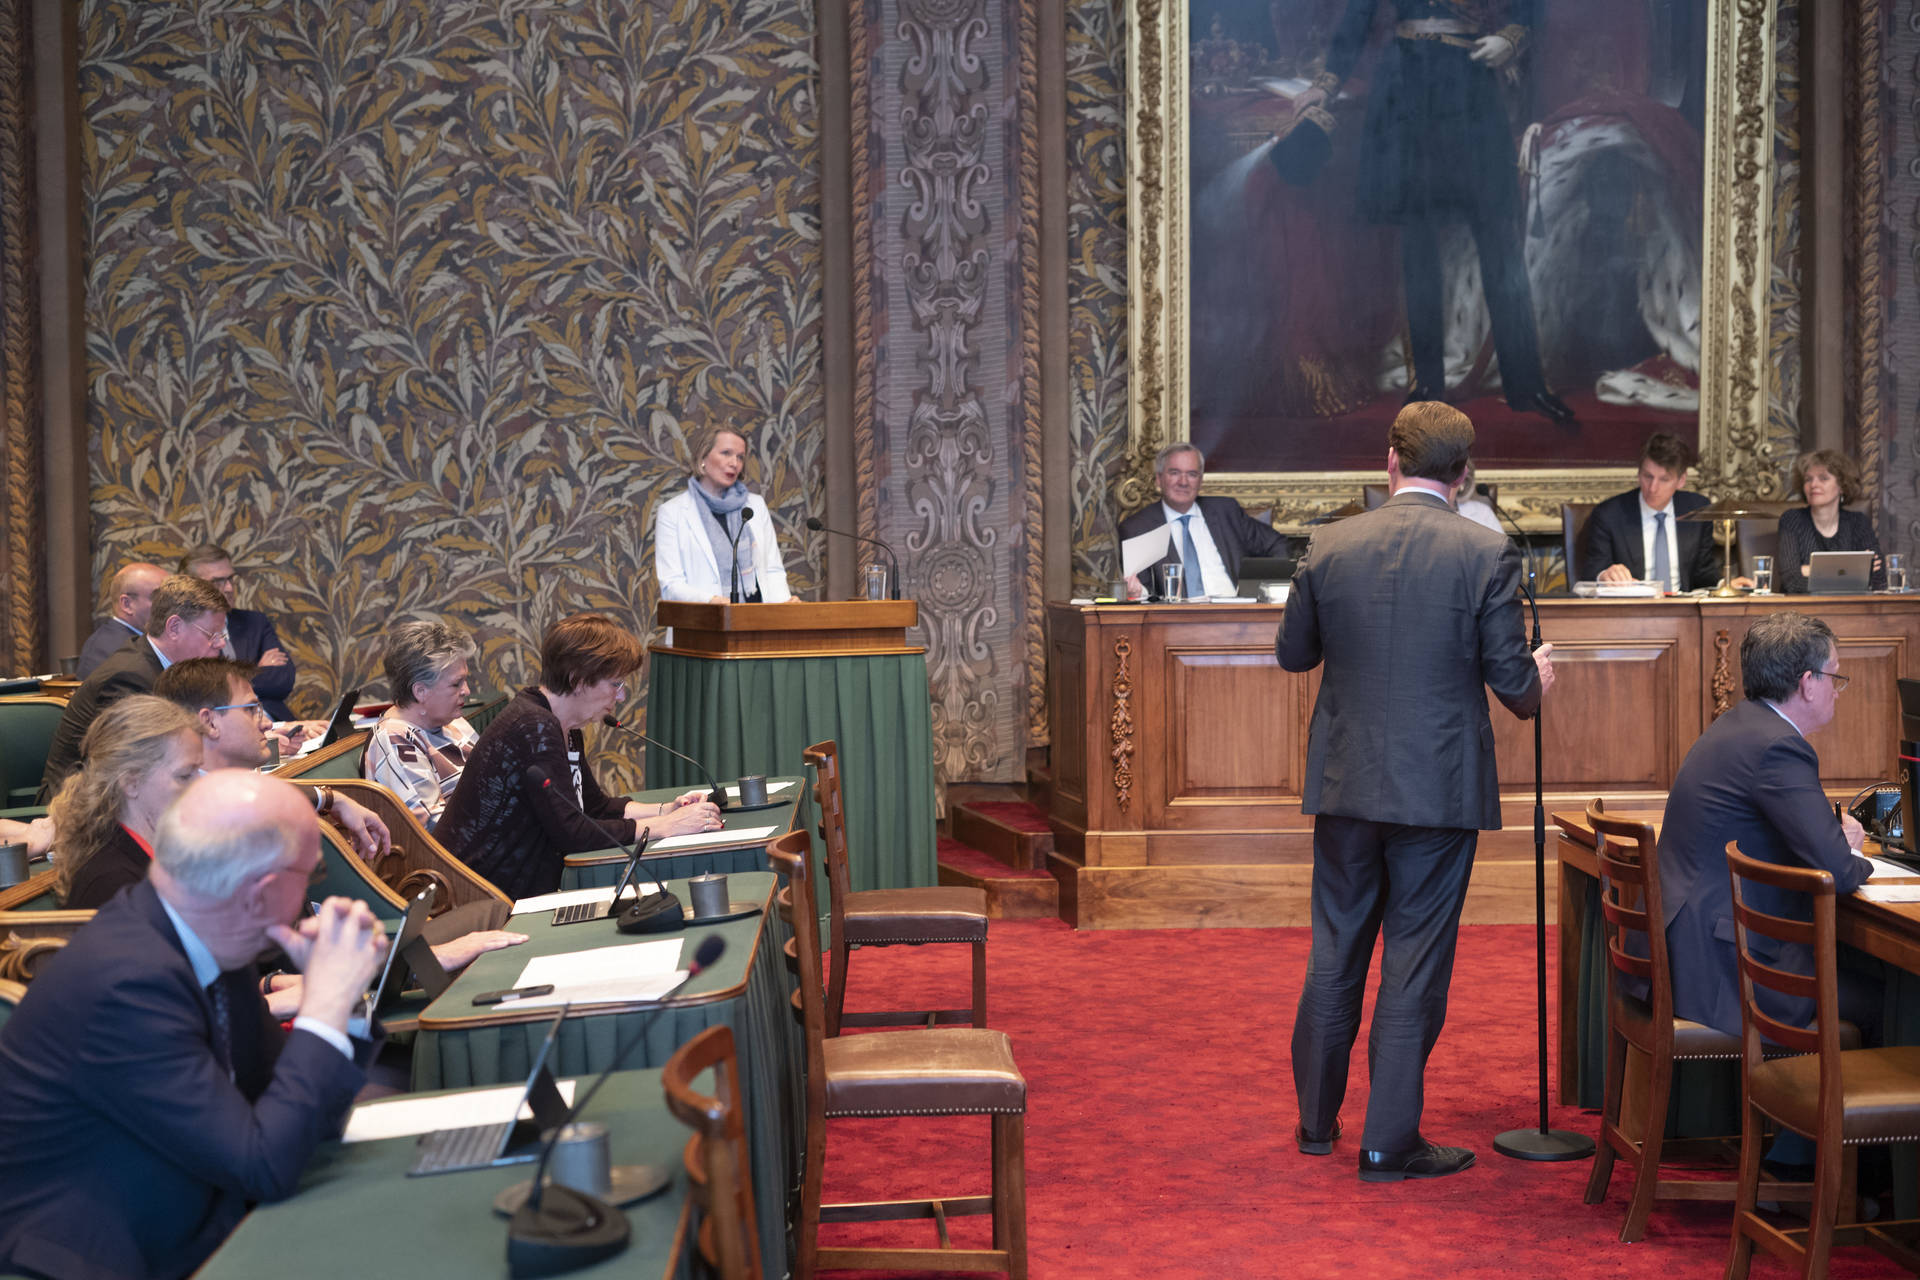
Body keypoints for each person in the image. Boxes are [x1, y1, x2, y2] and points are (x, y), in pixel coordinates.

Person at [1277, 401, 1553, 1181]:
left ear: (1389, 461)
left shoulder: (1330, 543)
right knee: (1413, 960)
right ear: (1464, 476)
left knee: (1336, 950)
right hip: (1437, 789)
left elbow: (1294, 655)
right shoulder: (1485, 551)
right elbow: (1515, 685)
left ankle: (1314, 1122)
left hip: (1347, 782)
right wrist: (1543, 678)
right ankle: (1387, 1141)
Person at [0, 770, 385, 1280]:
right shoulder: (126, 982)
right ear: (261, 891)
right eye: (310, 877)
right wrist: (327, 1000)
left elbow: (297, 1116)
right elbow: (263, 1164)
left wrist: (342, 1008)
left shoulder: (204, 940)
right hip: (114, 1260)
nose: (309, 898)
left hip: (204, 1220)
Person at [1290, 1, 1574, 426]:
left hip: (1470, 83)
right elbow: (1357, 16)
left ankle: (1527, 384)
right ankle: (1428, 387)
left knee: (1498, 240)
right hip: (1406, 89)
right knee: (1418, 246)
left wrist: (1510, 38)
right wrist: (1326, 85)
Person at [1659, 611, 1875, 1041]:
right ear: (1807, 682)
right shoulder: (1779, 747)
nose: (1838, 690)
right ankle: (1828, 1109)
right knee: (1892, 997)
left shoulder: (1738, 724)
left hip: (1688, 950)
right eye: (1835, 676)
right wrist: (1849, 845)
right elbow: (1841, 870)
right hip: (1729, 971)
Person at [436, 614, 722, 898]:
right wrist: (665, 827)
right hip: (479, 896)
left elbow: (594, 807)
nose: (621, 697)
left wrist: (665, 809)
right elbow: (572, 834)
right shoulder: (532, 727)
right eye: (615, 684)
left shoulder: (565, 728)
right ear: (578, 680)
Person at [154, 658, 391, 863]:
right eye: (251, 709)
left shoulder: (230, 788)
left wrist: (332, 798)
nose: (267, 724)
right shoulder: (185, 819)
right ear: (210, 722)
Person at [39, 573, 229, 802]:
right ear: (175, 627)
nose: (221, 644)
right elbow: (145, 763)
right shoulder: (127, 677)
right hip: (79, 810)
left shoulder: (172, 668)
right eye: (213, 635)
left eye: (222, 634)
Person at [49, 696, 204, 910]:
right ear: (131, 782)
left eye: (199, 771)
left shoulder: (169, 854)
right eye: (185, 775)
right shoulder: (112, 885)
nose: (201, 785)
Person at [1117, 443, 1290, 598]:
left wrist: (1265, 591)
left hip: (1238, 616)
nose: (1183, 482)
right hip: (1176, 623)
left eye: (1192, 474)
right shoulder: (1137, 528)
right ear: (1159, 479)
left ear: (1200, 480)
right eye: (1174, 473)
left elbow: (1277, 544)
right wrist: (1137, 592)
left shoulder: (1226, 511)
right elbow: (1142, 589)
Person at [654, 426, 793, 603]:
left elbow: (772, 570)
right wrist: (710, 601)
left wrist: (784, 604)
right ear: (703, 457)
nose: (734, 463)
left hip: (758, 621)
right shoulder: (673, 512)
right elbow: (671, 585)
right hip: (704, 623)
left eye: (740, 457)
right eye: (726, 453)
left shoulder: (755, 506)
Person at [364, 620, 480, 829]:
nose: (467, 691)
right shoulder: (396, 741)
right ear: (420, 692)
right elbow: (433, 829)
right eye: (456, 683)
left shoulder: (452, 720)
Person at [1579, 432, 1721, 590]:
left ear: (1681, 480)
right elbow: (1592, 571)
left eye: (1664, 479)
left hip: (1683, 609)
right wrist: (1605, 575)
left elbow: (1703, 572)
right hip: (1631, 609)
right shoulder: (1609, 514)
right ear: (1639, 473)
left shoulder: (1698, 510)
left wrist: (1725, 585)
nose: (1653, 488)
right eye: (1648, 476)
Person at [182, 543, 299, 720]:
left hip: (278, 721)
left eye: (230, 578)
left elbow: (283, 680)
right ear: (192, 586)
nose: (229, 588)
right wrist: (256, 671)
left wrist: (235, 680)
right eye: (217, 582)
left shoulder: (254, 622)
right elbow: (206, 692)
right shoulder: (188, 633)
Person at [1775, 450, 1886, 594]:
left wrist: (1809, 570)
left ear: (1842, 486)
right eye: (1808, 479)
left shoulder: (1858, 522)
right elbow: (1791, 582)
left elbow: (1879, 578)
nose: (1813, 484)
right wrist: (1851, 573)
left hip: (1851, 609)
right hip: (1802, 612)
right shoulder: (1791, 520)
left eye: (1823, 478)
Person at [76, 561, 168, 678]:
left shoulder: (128, 639)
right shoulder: (115, 650)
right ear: (127, 604)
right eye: (158, 597)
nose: (171, 605)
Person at [1451, 459, 1502, 533]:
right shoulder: (1429, 514)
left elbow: (1501, 544)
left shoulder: (1483, 513)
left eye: (1449, 477)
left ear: (1463, 482)